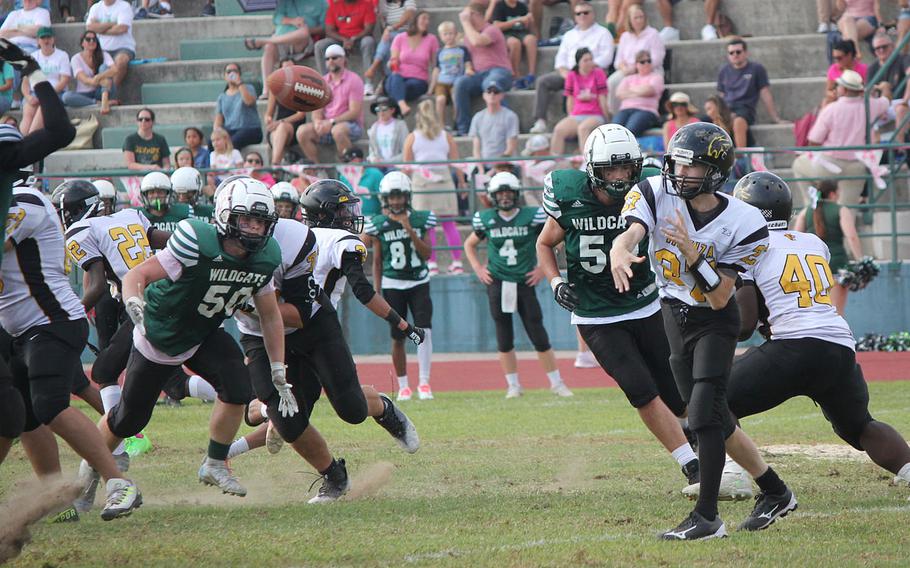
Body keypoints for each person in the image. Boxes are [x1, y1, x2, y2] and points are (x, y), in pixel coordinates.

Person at [612, 122, 771, 540]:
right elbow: (633, 230)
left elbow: (721, 298)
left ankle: (707, 518)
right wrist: (620, 249)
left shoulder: (745, 219)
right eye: (677, 162)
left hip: (714, 321)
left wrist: (690, 252)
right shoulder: (654, 191)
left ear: (716, 171)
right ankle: (775, 490)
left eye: (691, 165)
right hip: (672, 314)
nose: (679, 172)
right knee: (713, 417)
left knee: (703, 416)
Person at [729, 171, 910, 521]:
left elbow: (746, 323)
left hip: (792, 347)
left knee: (712, 404)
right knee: (859, 426)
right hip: (838, 345)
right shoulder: (813, 242)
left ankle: (730, 473)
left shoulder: (748, 247)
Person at [538, 123, 702, 507]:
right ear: (593, 168)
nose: (620, 176)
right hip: (595, 314)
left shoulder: (647, 186)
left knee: (675, 390)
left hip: (645, 301)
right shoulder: (568, 194)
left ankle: (698, 438)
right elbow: (545, 243)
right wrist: (555, 282)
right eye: (611, 169)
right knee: (639, 389)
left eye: (626, 168)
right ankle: (691, 465)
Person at [227, 181, 424, 498]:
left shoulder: (308, 238)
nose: (350, 216)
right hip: (263, 331)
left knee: (351, 408)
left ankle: (384, 409)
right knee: (288, 418)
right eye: (344, 209)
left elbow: (359, 290)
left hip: (315, 322)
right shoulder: (226, 249)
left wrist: (400, 323)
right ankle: (334, 476)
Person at [97, 176, 287, 498]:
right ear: (226, 215)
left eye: (261, 222)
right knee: (128, 419)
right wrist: (133, 301)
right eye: (247, 219)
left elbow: (269, 314)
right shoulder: (197, 240)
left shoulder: (265, 257)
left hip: (203, 330)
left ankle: (214, 462)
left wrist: (278, 366)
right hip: (161, 331)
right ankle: (91, 467)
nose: (255, 228)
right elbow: (138, 274)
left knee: (238, 387)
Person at [1, 175, 141, 520]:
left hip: (52, 321)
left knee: (49, 405)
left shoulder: (24, 200)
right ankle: (57, 498)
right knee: (24, 418)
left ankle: (119, 482)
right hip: (20, 328)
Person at [53, 180, 172, 513]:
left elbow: (95, 284)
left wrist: (67, 312)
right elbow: (170, 243)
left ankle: (114, 459)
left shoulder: (80, 230)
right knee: (112, 372)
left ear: (74, 210)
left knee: (109, 374)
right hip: (164, 297)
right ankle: (102, 475)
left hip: (149, 307)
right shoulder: (131, 215)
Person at [464, 172, 571, 398]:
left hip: (524, 281)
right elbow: (469, 244)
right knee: (504, 336)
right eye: (500, 193)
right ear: (493, 196)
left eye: (508, 192)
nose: (504, 197)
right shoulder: (485, 218)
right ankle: (513, 385)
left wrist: (543, 268)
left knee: (538, 333)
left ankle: (556, 382)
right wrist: (478, 269)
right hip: (498, 281)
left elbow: (558, 240)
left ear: (516, 194)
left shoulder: (532, 216)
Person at [363, 171, 436, 401]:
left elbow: (427, 253)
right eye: (392, 197)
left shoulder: (421, 218)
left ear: (407, 196)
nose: (396, 201)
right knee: (398, 336)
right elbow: (376, 259)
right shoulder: (378, 224)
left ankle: (424, 382)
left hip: (418, 281)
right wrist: (376, 288)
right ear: (385, 198)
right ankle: (404, 385)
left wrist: (410, 230)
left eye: (400, 196)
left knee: (424, 331)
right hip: (393, 284)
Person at [791, 70, 888, 209]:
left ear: (844, 89)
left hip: (829, 164)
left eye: (839, 85)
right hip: (857, 165)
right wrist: (885, 88)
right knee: (847, 211)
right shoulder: (871, 105)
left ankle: (812, 207)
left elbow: (814, 141)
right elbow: (887, 101)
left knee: (799, 165)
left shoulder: (831, 109)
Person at [530, 2, 613, 135]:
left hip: (593, 75)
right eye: (578, 13)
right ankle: (540, 120)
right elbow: (560, 60)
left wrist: (584, 70)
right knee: (543, 81)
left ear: (593, 14)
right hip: (569, 74)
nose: (582, 16)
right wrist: (568, 74)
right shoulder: (569, 35)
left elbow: (606, 58)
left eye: (586, 12)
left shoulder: (603, 33)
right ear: (574, 16)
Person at [403, 100, 466, 275]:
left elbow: (406, 166)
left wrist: (405, 186)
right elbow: (456, 162)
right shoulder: (446, 136)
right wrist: (461, 182)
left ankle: (432, 264)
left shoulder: (412, 137)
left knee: (427, 225)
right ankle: (457, 262)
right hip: (443, 181)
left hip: (421, 184)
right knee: (449, 224)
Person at [792, 180, 863, 315]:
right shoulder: (841, 210)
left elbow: (796, 238)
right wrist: (860, 261)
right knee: (836, 312)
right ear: (832, 194)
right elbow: (852, 237)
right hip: (836, 266)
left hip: (811, 267)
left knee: (816, 312)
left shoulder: (805, 211)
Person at [453, 3, 513, 136]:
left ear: (477, 15)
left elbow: (478, 41)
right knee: (460, 83)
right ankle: (464, 129)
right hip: (479, 74)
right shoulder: (470, 34)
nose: (465, 17)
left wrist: (465, 23)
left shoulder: (492, 29)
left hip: (499, 70)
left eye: (468, 14)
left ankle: (506, 126)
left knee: (490, 84)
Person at [296, 44, 364, 162]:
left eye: (334, 58)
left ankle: (346, 172)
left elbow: (354, 112)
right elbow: (317, 110)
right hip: (327, 125)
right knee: (302, 132)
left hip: (350, 125)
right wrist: (318, 122)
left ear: (343, 59)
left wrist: (331, 122)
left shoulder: (354, 80)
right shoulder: (321, 82)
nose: (330, 61)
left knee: (338, 131)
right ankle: (317, 170)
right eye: (327, 59)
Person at [245, 0, 328, 96]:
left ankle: (264, 41)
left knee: (304, 32)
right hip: (281, 41)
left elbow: (323, 28)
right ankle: (266, 90)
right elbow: (276, 18)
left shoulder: (321, 3)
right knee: (268, 48)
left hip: (301, 42)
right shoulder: (285, 2)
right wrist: (292, 21)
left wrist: (306, 28)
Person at [717, 38, 784, 148]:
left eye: (738, 52)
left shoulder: (756, 69)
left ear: (746, 53)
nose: (735, 55)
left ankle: (742, 159)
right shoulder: (723, 70)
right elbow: (721, 95)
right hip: (727, 108)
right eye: (731, 53)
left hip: (746, 109)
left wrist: (775, 118)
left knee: (738, 122)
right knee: (706, 122)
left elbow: (765, 93)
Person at [607, 3, 664, 116]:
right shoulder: (625, 37)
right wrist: (623, 68)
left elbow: (657, 58)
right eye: (635, 18)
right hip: (627, 70)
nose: (639, 20)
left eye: (641, 17)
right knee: (612, 81)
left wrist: (637, 68)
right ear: (629, 20)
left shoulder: (653, 34)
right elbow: (618, 61)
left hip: (648, 69)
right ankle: (615, 113)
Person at [549, 47, 607, 157]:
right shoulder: (572, 75)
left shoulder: (598, 73)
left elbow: (602, 97)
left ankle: (586, 162)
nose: (590, 63)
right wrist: (570, 116)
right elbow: (570, 99)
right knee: (558, 130)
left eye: (591, 59)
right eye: (586, 60)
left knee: (583, 128)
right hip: (577, 114)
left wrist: (607, 117)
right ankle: (555, 161)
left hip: (595, 114)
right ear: (579, 62)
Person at [384, 10, 437, 116]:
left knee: (397, 86)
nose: (427, 22)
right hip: (398, 76)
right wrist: (391, 63)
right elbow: (393, 60)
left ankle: (398, 104)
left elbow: (435, 65)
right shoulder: (400, 38)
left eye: (428, 19)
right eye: (424, 18)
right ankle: (402, 105)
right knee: (395, 77)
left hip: (418, 80)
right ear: (415, 20)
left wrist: (432, 86)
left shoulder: (432, 39)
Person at [19, 26, 69, 134]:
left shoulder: (62, 55)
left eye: (48, 37)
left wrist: (47, 95)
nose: (46, 41)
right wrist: (28, 96)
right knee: (28, 111)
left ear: (53, 39)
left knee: (43, 108)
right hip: (34, 93)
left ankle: (29, 139)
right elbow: (25, 83)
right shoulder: (32, 57)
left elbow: (64, 80)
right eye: (43, 38)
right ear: (38, 41)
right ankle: (22, 140)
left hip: (55, 93)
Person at [363, 0, 418, 97]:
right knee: (388, 42)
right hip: (391, 34)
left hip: (407, 32)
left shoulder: (408, 1)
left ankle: (374, 67)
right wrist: (387, 29)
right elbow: (383, 21)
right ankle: (389, 79)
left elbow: (408, 16)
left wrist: (390, 28)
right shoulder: (385, 4)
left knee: (389, 39)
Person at [314, 0, 376, 78]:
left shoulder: (366, 5)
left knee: (368, 41)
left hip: (359, 40)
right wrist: (344, 39)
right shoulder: (334, 7)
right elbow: (329, 30)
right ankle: (326, 82)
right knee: (319, 45)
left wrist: (353, 39)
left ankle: (368, 84)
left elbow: (368, 29)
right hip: (340, 40)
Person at [431, 20, 473, 129]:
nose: (448, 36)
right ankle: (440, 125)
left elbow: (467, 63)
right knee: (440, 100)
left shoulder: (462, 50)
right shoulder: (439, 52)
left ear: (455, 34)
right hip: (442, 82)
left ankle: (456, 121)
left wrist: (468, 70)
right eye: (445, 34)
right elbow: (436, 70)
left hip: (456, 81)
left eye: (451, 33)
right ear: (441, 36)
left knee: (456, 97)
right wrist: (431, 88)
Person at [265, 57, 307, 166]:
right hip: (278, 126)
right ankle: (277, 165)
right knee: (277, 132)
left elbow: (301, 114)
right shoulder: (275, 88)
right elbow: (269, 113)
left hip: (293, 126)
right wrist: (268, 120)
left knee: (282, 127)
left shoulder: (301, 88)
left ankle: (275, 164)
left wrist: (280, 122)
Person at [612, 49, 664, 137]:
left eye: (649, 61)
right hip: (625, 110)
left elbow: (649, 90)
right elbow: (619, 94)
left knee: (630, 131)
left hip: (646, 110)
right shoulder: (628, 78)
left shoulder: (656, 77)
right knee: (614, 131)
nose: (646, 63)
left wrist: (630, 90)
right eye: (642, 62)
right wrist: (640, 91)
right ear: (636, 64)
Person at [85, 0, 135, 90]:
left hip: (123, 48)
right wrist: (112, 24)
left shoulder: (124, 6)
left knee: (121, 61)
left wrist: (100, 28)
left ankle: (112, 93)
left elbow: (121, 28)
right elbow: (89, 28)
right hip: (101, 49)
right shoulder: (95, 7)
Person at [490, 0, 537, 90]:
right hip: (506, 34)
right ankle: (516, 76)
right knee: (515, 43)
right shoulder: (500, 6)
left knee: (531, 39)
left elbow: (529, 27)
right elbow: (496, 26)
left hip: (521, 32)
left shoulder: (522, 6)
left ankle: (531, 74)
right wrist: (517, 20)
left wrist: (529, 20)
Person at [64, 29, 115, 113]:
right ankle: (98, 103)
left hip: (101, 91)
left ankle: (104, 100)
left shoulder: (104, 54)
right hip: (85, 94)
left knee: (104, 68)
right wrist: (99, 81)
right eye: (88, 39)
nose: (92, 41)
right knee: (66, 97)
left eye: (94, 39)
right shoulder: (76, 58)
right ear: (82, 43)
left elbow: (114, 70)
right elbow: (84, 80)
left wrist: (99, 76)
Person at [215, 62, 262, 151]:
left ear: (239, 74)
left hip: (250, 129)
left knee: (232, 142)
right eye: (228, 72)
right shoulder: (222, 97)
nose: (232, 74)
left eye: (235, 71)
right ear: (225, 76)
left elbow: (249, 102)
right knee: (212, 143)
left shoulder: (249, 88)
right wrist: (217, 133)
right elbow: (218, 119)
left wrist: (239, 83)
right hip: (231, 130)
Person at [470, 77, 520, 163]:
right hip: (484, 165)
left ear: (502, 95)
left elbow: (510, 149)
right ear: (484, 95)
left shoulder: (510, 116)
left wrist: (494, 170)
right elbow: (476, 149)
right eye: (489, 92)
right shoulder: (477, 117)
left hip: (506, 165)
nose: (492, 94)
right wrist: (481, 170)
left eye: (496, 92)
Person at [338, 146, 383, 216]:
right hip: (351, 219)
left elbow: (384, 199)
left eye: (349, 162)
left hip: (373, 218)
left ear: (358, 161)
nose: (347, 166)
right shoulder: (343, 177)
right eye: (346, 162)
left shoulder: (375, 174)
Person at [824, 39, 867, 107]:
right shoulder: (833, 69)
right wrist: (833, 94)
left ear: (849, 55)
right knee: (826, 101)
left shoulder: (863, 69)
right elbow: (828, 90)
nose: (836, 61)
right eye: (834, 58)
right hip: (838, 101)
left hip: (857, 102)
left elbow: (867, 89)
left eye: (839, 58)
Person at [367, 95, 409, 164]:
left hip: (397, 166)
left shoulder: (401, 125)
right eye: (378, 109)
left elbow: (405, 152)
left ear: (392, 110)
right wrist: (373, 159)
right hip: (378, 166)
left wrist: (386, 162)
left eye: (384, 109)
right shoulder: (374, 127)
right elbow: (371, 152)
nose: (381, 112)